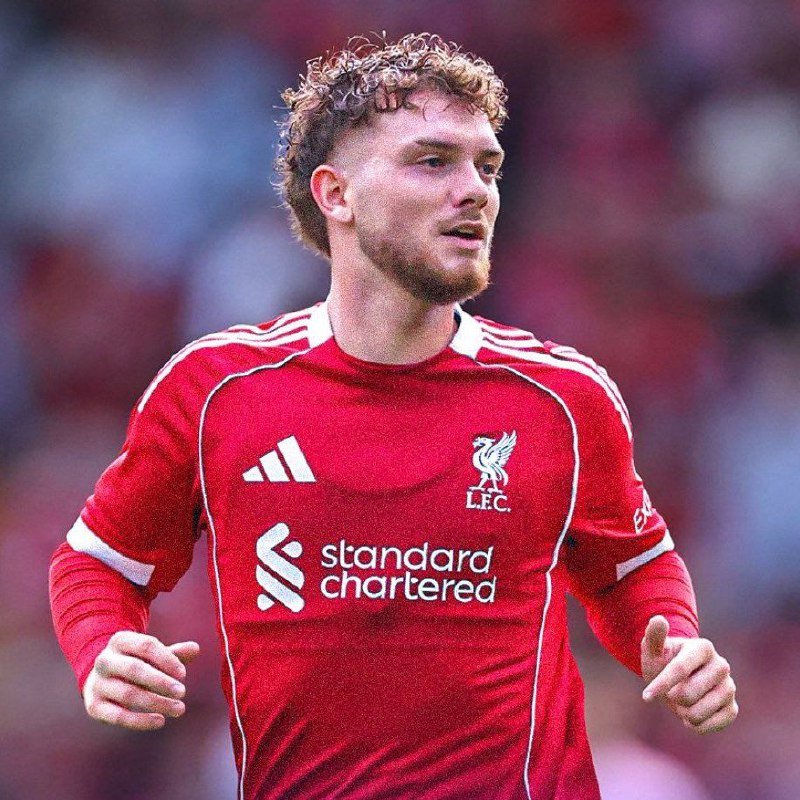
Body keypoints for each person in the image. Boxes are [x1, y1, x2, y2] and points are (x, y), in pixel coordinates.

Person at [49, 33, 738, 800]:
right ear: (336, 194)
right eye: (433, 161)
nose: (475, 191)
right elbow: (99, 564)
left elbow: (632, 569)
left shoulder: (563, 398)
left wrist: (676, 643)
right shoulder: (216, 390)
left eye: (488, 167)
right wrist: (103, 646)